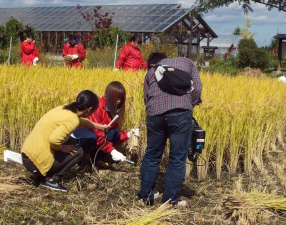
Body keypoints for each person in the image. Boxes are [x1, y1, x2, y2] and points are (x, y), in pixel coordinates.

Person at [138, 52, 203, 206]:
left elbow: (146, 97)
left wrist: (154, 109)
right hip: (180, 113)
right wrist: (190, 104)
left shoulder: (151, 72)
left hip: (154, 114)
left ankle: (145, 196)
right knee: (177, 157)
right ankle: (170, 199)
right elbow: (197, 88)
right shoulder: (187, 62)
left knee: (152, 154)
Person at [21, 90, 110, 192]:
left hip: (27, 154)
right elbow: (54, 140)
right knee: (78, 152)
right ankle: (50, 179)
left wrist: (99, 126)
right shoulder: (73, 120)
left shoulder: (64, 109)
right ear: (89, 109)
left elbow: (80, 121)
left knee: (69, 142)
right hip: (35, 163)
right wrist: (63, 148)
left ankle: (42, 174)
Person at [72, 81, 140, 165]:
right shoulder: (98, 107)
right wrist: (112, 151)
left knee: (114, 133)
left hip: (100, 139)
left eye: (121, 98)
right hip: (87, 138)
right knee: (93, 137)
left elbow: (113, 133)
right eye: (116, 98)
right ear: (110, 96)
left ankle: (97, 159)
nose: (119, 101)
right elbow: (97, 133)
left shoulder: (115, 110)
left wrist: (128, 135)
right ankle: (84, 159)